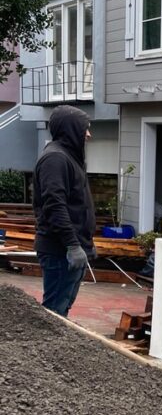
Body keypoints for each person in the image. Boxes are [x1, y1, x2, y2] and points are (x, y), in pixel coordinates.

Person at [33, 105, 96, 317]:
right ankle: (43, 349)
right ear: (70, 129)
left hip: (73, 249)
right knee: (53, 314)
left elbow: (76, 204)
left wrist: (85, 244)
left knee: (62, 310)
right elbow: (54, 205)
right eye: (84, 129)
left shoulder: (70, 157)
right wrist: (72, 244)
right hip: (60, 251)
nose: (88, 134)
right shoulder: (55, 159)